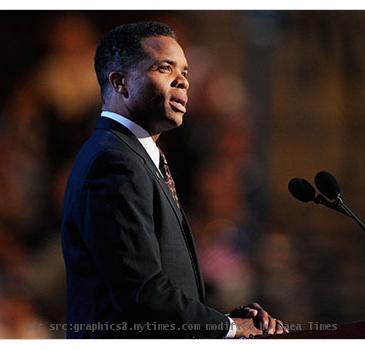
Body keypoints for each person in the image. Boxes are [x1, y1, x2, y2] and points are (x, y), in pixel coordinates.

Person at [61, 21, 288, 339]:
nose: (183, 82)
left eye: (185, 71)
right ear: (120, 83)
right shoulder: (114, 162)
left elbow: (160, 285)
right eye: (165, 69)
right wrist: (231, 328)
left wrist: (219, 319)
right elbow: (142, 293)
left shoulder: (134, 156)